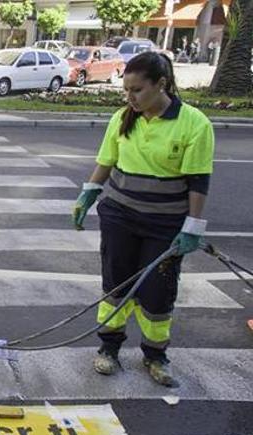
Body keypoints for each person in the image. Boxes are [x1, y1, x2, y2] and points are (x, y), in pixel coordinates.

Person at [72, 52, 214, 388]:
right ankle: (109, 347)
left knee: (157, 292)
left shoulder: (194, 124)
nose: (130, 97)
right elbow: (107, 162)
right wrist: (88, 193)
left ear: (161, 85)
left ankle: (155, 354)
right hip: (120, 216)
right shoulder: (123, 117)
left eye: (137, 90)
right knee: (116, 284)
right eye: (126, 90)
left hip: (164, 226)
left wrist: (192, 226)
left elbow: (198, 181)